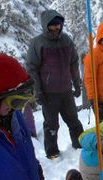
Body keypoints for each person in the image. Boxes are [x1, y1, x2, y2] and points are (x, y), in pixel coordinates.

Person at [26, 9, 84, 159]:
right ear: (46, 26)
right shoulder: (37, 43)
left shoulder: (67, 40)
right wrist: (38, 91)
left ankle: (80, 146)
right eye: (52, 26)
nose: (56, 29)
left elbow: (74, 63)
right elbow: (32, 69)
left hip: (66, 91)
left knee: (74, 121)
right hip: (48, 94)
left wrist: (77, 84)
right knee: (51, 125)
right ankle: (52, 153)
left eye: (58, 25)